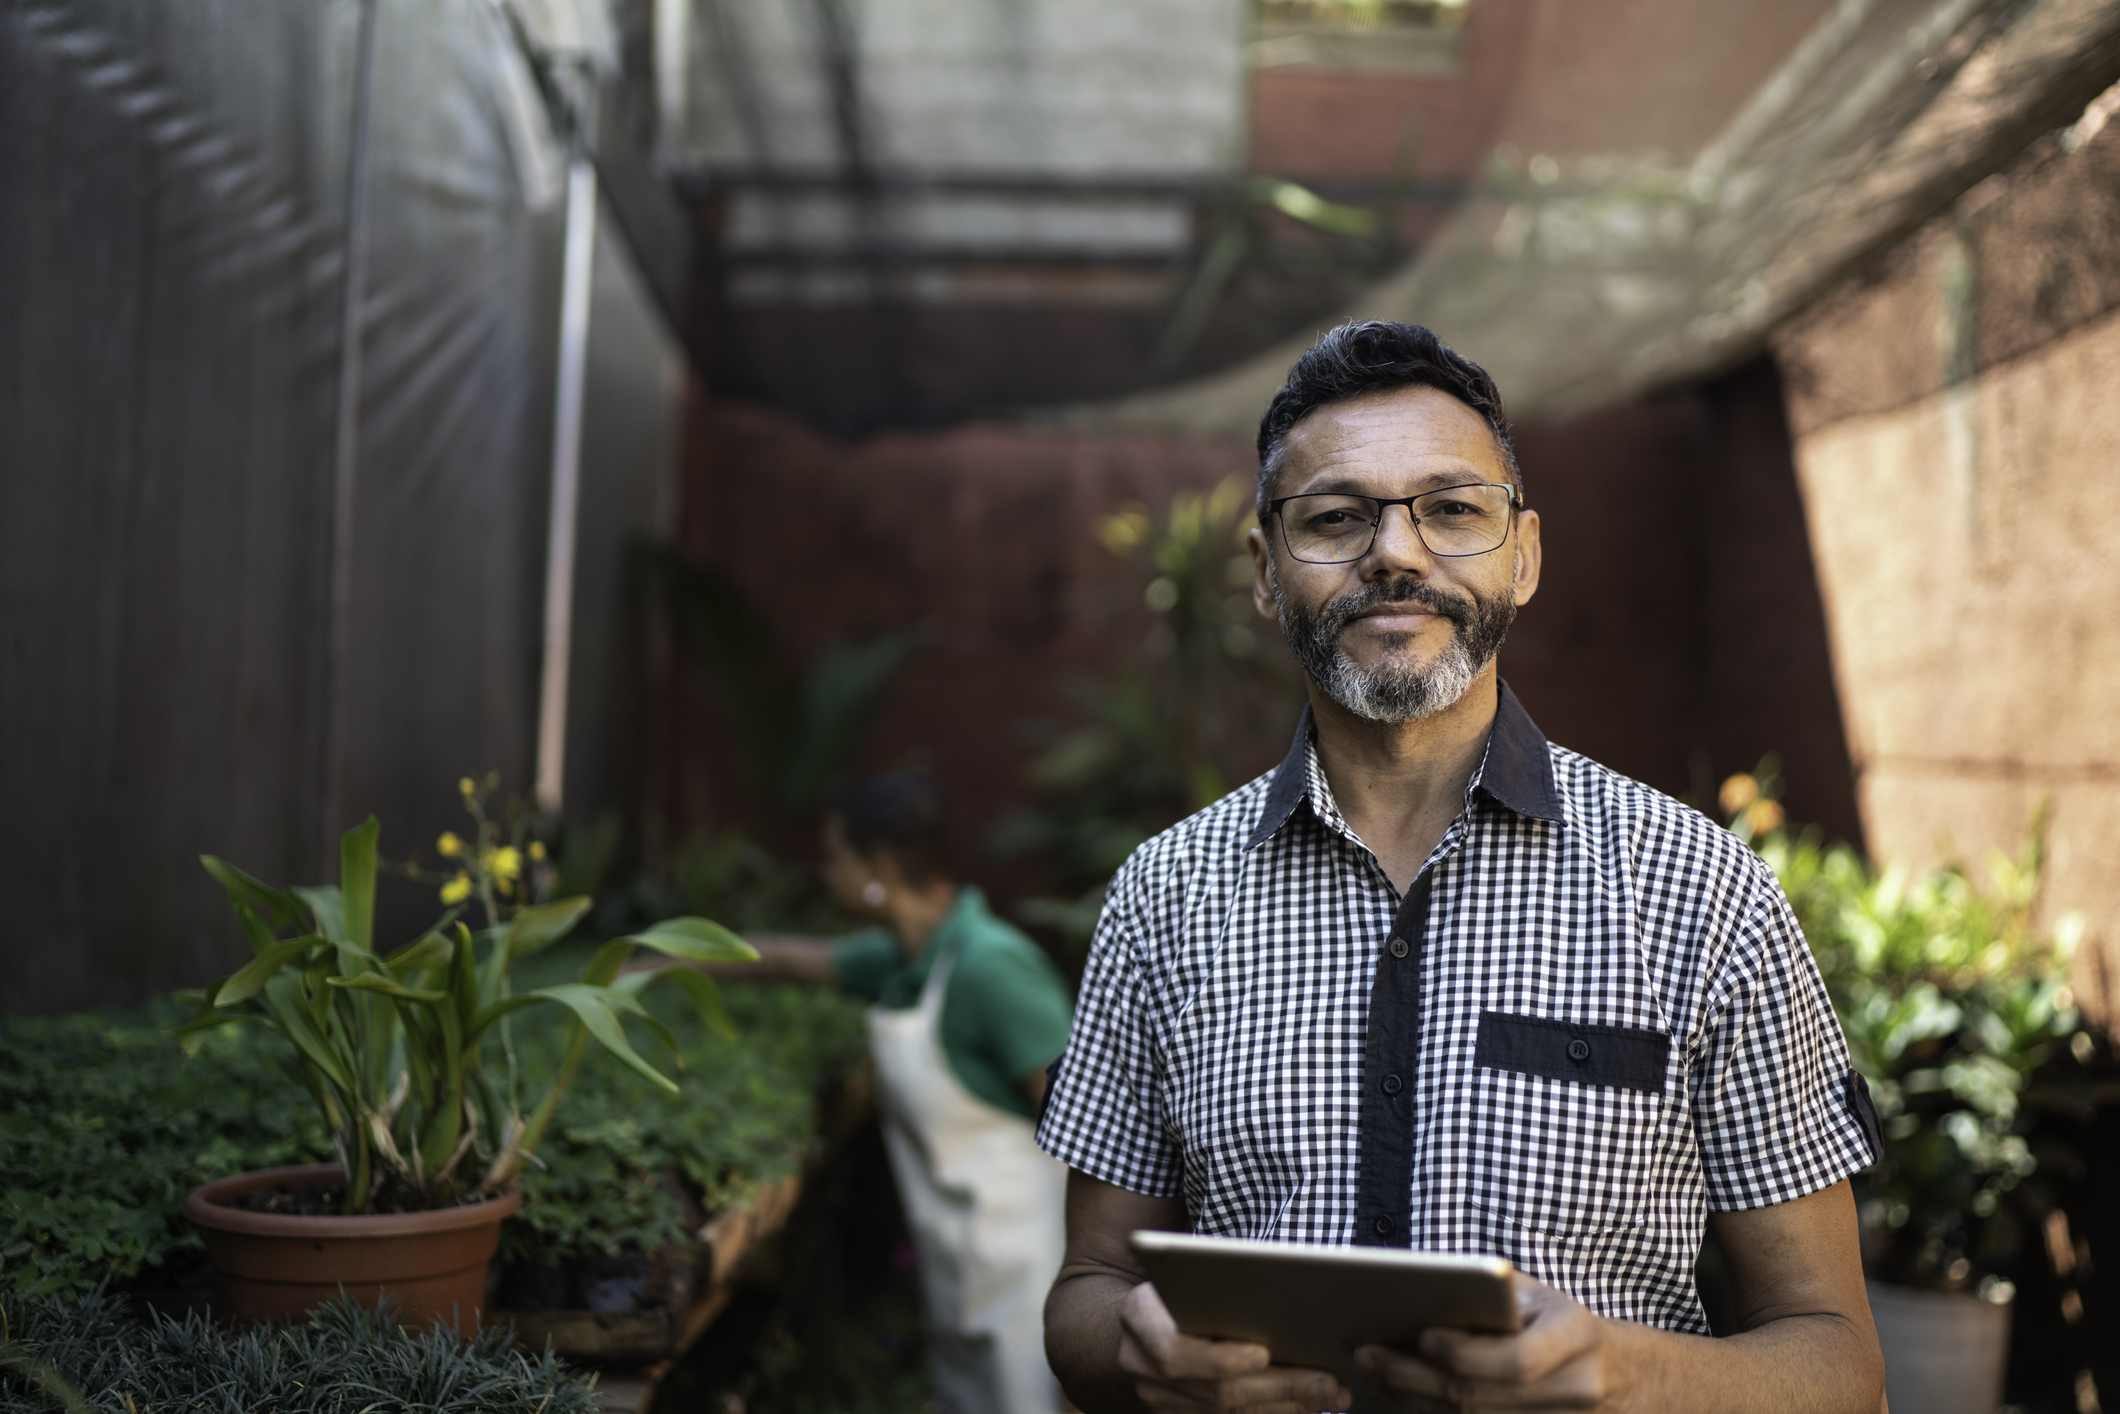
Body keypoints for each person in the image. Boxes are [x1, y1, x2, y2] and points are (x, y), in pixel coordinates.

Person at [1035, 322, 1887, 1413]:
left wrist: (1620, 1371)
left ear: (1521, 555)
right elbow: (1085, 1293)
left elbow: (1838, 1360)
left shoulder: (1700, 890)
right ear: (1262, 570)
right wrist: (1138, 1352)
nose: (1394, 552)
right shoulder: (1164, 897)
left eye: (1449, 509)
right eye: (1336, 517)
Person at [658, 774, 1075, 1414]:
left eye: (835, 859)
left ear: (878, 867)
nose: (825, 874)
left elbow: (1088, 1118)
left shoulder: (990, 965)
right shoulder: (909, 957)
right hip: (963, 1261)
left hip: (1030, 1268)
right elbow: (790, 960)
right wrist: (659, 958)